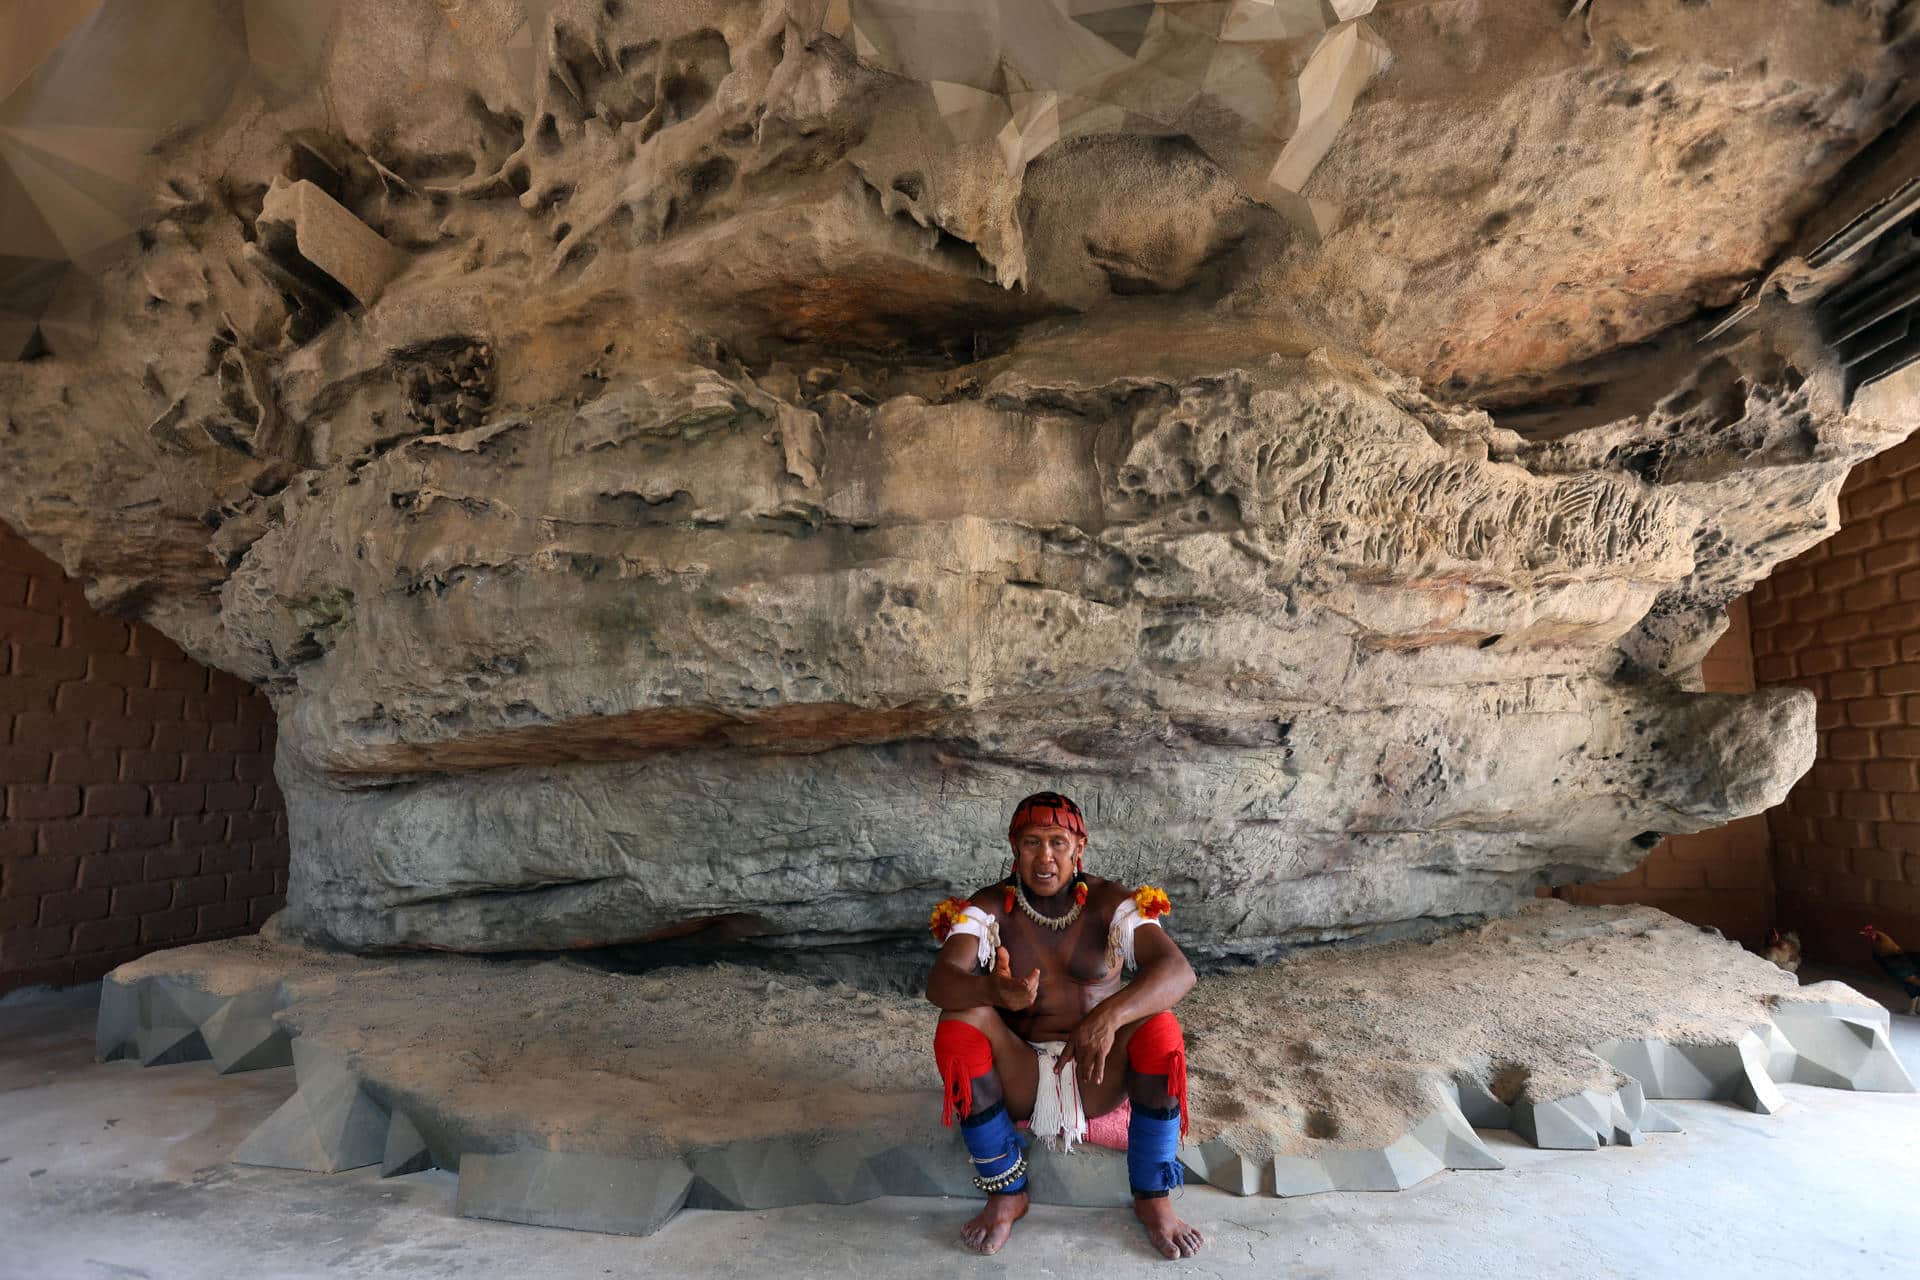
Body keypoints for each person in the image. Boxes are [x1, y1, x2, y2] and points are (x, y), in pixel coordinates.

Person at [925, 791, 1205, 1259]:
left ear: (1080, 848)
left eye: (1058, 841)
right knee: (958, 1023)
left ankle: (1153, 1198)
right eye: (1032, 842)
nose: (1045, 857)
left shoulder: (1110, 903)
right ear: (1015, 849)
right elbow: (941, 983)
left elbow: (1179, 972)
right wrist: (994, 993)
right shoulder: (988, 907)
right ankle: (1006, 1191)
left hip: (1096, 1072)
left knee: (1160, 1026)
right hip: (1021, 1075)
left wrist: (1109, 1014)